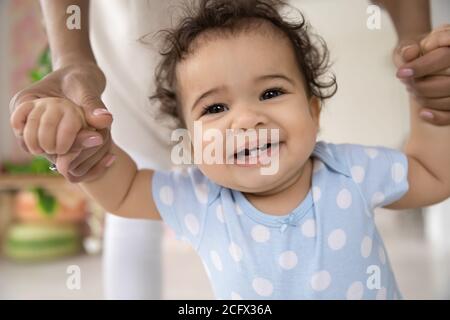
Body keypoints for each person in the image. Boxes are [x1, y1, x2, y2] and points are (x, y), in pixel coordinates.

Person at [9, 0, 449, 299]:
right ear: (190, 141)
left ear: (314, 111)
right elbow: (122, 191)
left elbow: (433, 173)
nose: (246, 120)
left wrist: (429, 94)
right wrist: (83, 138)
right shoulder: (202, 198)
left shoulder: (349, 172)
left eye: (271, 93)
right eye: (216, 107)